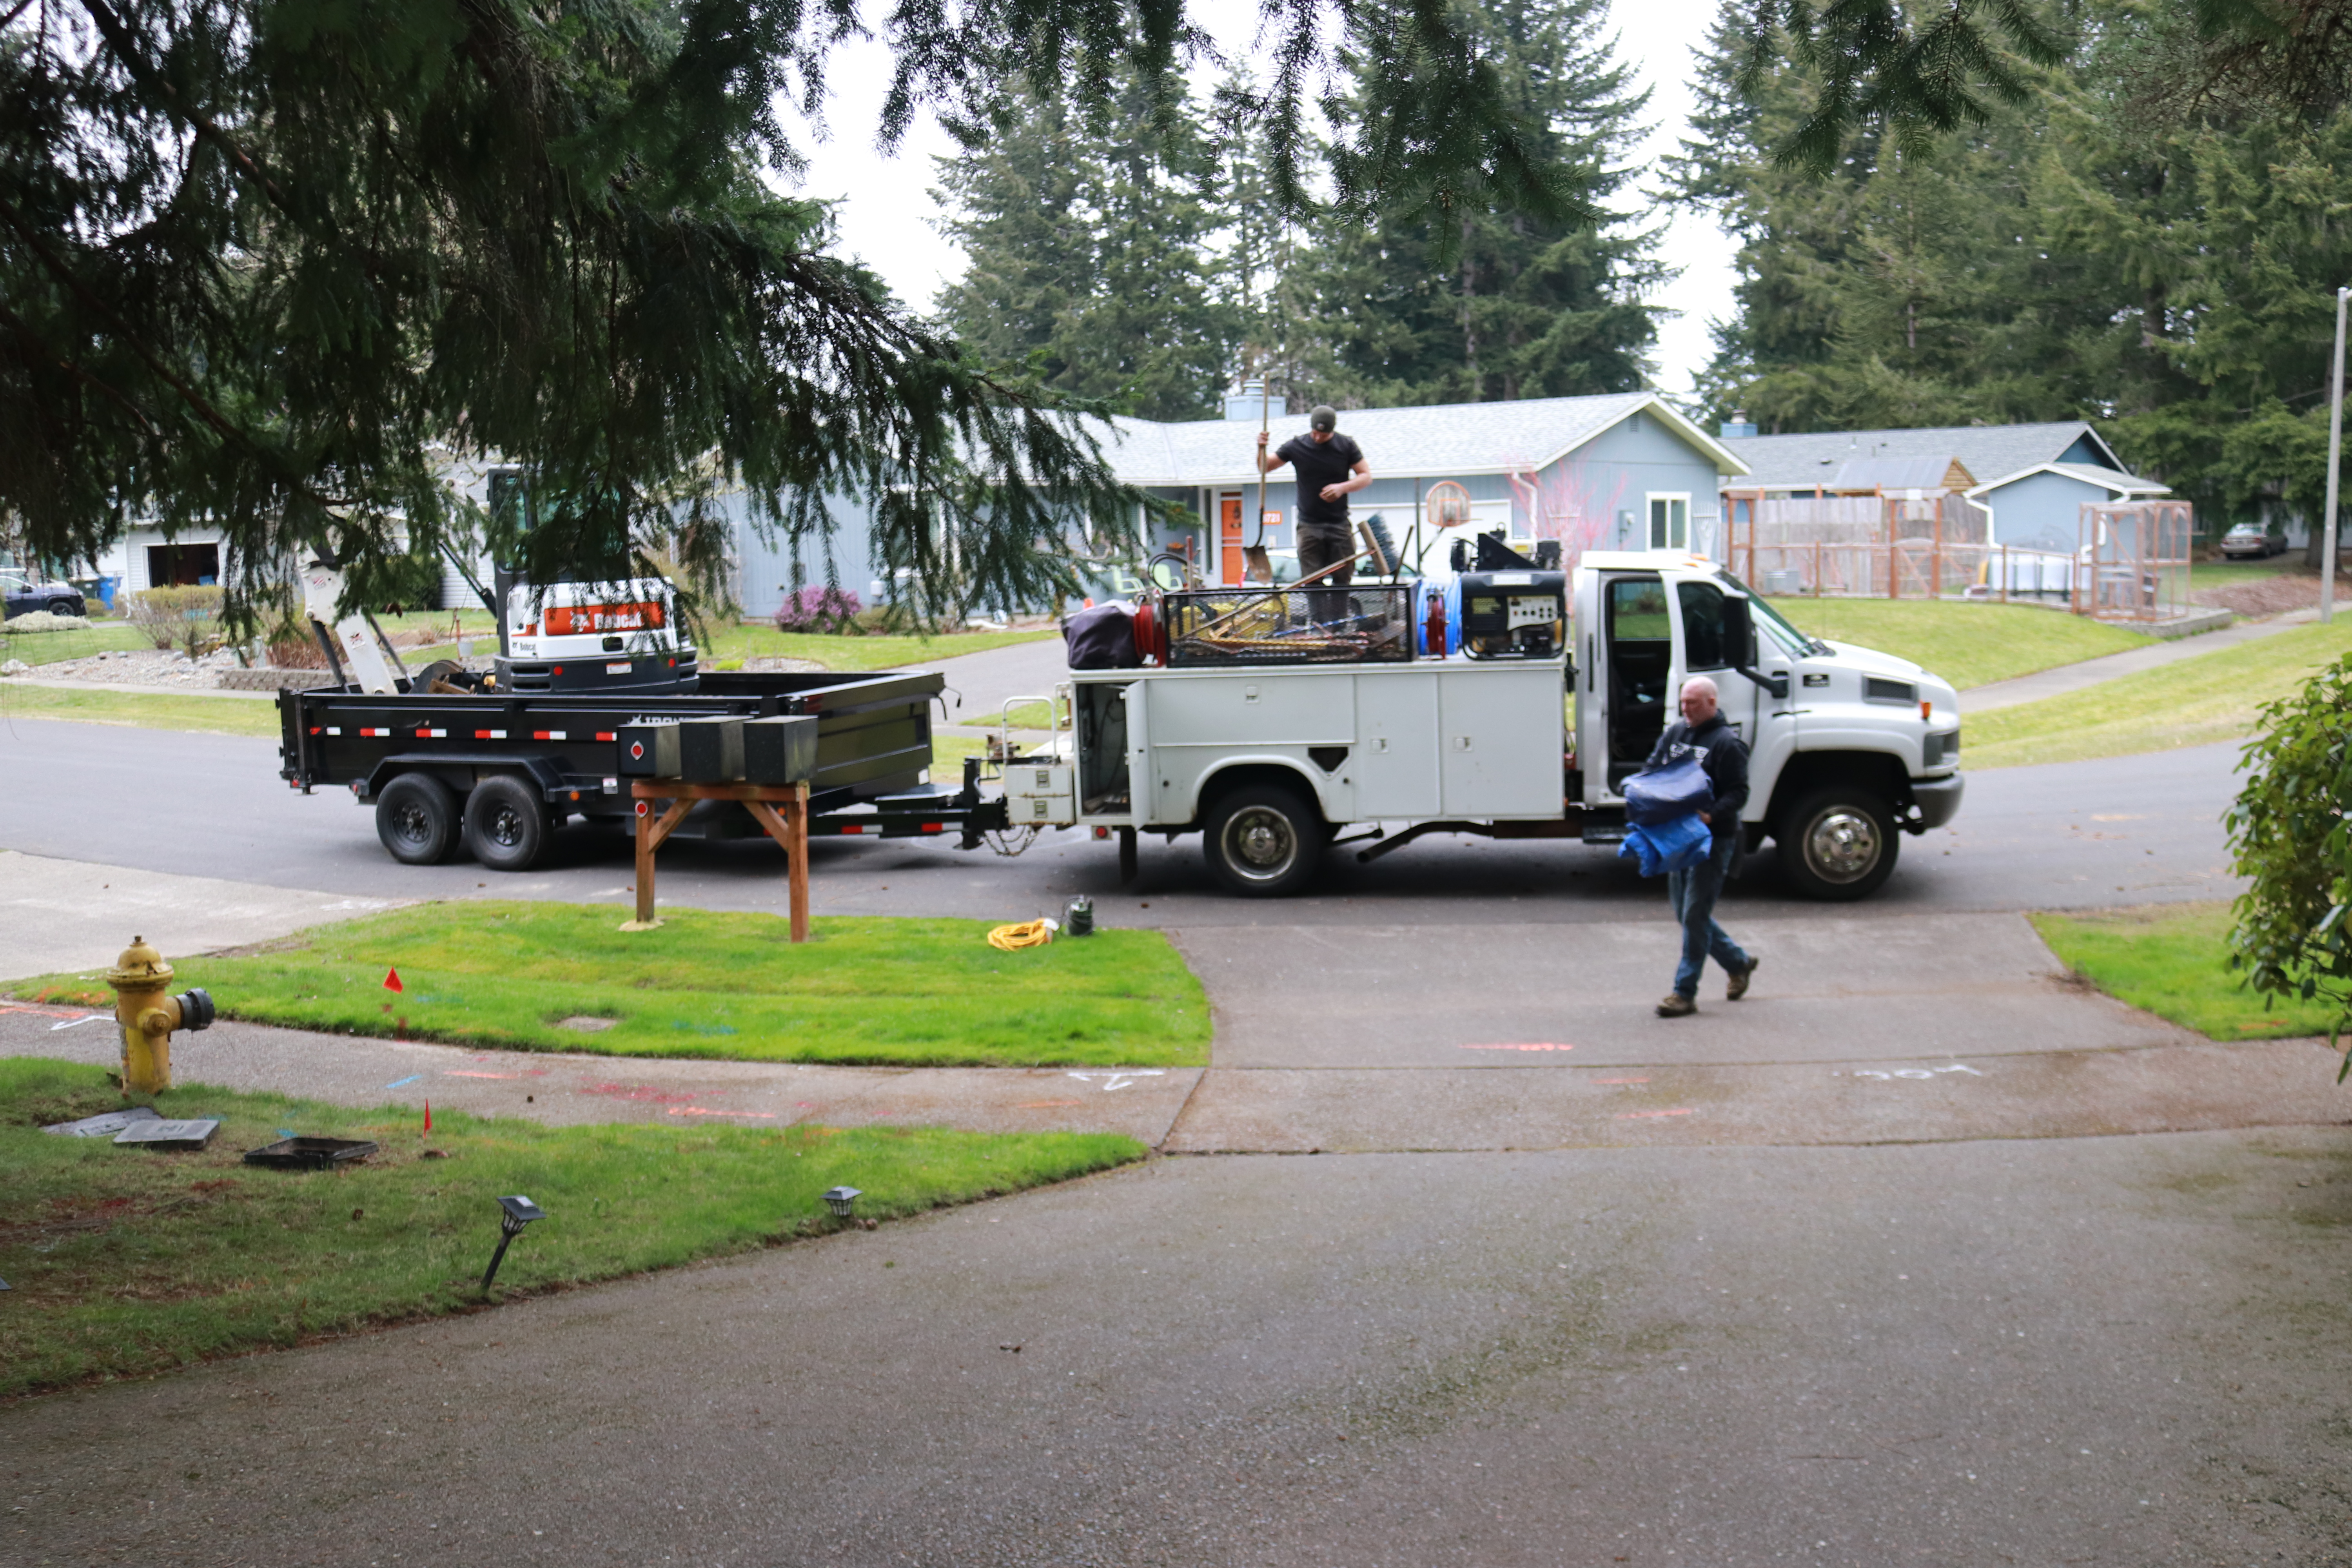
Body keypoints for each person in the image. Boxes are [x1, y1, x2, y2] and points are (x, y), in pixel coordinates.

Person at [1648, 674, 1759, 1017]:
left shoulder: (1728, 743)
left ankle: (1684, 993)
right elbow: (1654, 767)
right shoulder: (1676, 733)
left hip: (1713, 840)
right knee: (1686, 914)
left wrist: (1710, 815)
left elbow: (1739, 792)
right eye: (1683, 702)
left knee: (1696, 914)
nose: (1686, 709)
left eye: (1693, 703)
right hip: (1677, 836)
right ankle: (1738, 963)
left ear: (1712, 703)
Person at [1256, 405, 1369, 622]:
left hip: (1339, 524)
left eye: (1323, 434)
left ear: (1332, 431)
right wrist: (1261, 448)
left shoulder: (1346, 446)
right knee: (1312, 579)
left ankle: (1338, 626)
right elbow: (1265, 467)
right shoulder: (1297, 446)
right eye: (1315, 433)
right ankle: (1319, 626)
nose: (1318, 437)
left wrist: (1342, 488)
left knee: (1342, 577)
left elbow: (1366, 476)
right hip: (1309, 525)